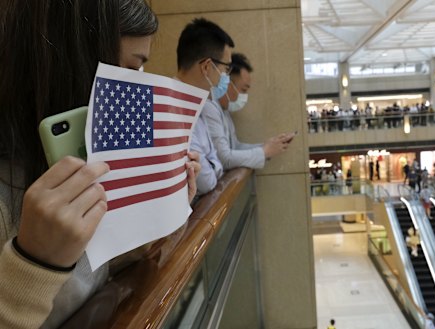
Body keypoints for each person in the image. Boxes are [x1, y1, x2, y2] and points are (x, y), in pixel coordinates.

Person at [0, 2, 201, 328]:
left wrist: (163, 212)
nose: (138, 91)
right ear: (65, 66)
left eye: (138, 72)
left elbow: (100, 271)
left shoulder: (88, 165)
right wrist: (33, 263)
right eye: (125, 72)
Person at [202, 52, 295, 170]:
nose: (244, 96)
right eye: (243, 90)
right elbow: (224, 158)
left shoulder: (224, 110)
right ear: (227, 84)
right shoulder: (210, 107)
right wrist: (264, 151)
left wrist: (269, 145)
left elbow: (235, 147)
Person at [176, 18, 235, 196]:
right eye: (226, 69)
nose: (226, 77)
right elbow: (207, 181)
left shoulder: (198, 105)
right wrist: (212, 165)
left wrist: (211, 164)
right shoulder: (174, 110)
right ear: (207, 67)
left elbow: (214, 163)